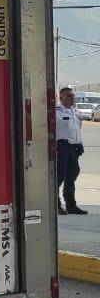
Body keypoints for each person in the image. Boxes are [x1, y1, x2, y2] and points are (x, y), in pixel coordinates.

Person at [57, 87, 88, 216]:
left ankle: (71, 205)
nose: (72, 98)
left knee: (71, 177)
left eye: (73, 96)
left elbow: (77, 130)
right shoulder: (57, 112)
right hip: (63, 147)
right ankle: (56, 206)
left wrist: (80, 144)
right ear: (61, 98)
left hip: (74, 149)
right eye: (69, 96)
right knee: (58, 179)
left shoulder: (76, 112)